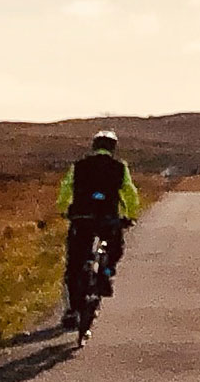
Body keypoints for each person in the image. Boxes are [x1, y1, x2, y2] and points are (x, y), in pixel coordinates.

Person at [54, 130, 143, 306]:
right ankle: (107, 272)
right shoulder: (119, 166)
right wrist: (131, 215)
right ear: (113, 148)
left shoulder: (79, 165)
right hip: (108, 218)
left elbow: (66, 189)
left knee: (74, 263)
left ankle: (72, 309)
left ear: (94, 146)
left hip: (81, 216)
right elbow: (130, 193)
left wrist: (63, 209)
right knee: (115, 248)